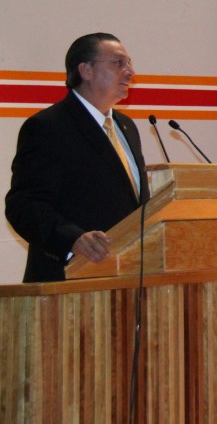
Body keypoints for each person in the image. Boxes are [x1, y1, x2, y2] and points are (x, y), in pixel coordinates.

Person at [6, 33, 149, 282]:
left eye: (129, 63)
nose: (130, 72)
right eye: (118, 63)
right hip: (68, 280)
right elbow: (24, 205)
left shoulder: (126, 127)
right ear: (86, 70)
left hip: (126, 278)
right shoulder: (48, 127)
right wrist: (72, 239)